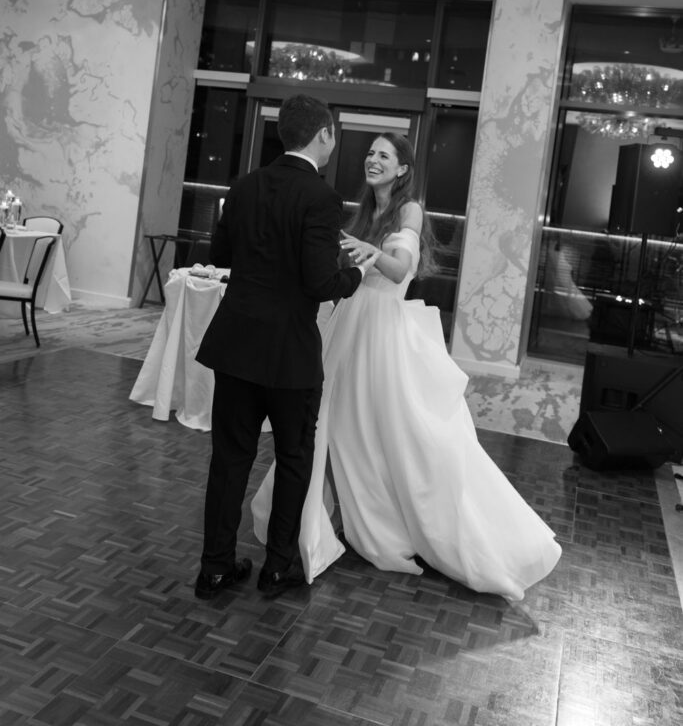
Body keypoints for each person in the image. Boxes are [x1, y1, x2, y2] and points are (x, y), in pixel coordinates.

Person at [252, 132, 562, 602]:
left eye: (384, 155)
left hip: (382, 332)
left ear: (402, 169)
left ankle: (404, 520)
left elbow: (400, 270)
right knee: (335, 425)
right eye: (370, 153)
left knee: (395, 432)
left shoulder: (409, 209)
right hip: (350, 323)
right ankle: (336, 514)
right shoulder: (362, 211)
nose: (372, 160)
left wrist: (368, 251)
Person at [194, 94, 376, 601]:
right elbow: (322, 283)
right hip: (289, 354)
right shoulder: (322, 197)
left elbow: (222, 253)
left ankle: (214, 569)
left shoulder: (244, 185)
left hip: (235, 344)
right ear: (324, 135)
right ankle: (277, 567)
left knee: (229, 459)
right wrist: (358, 274)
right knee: (295, 457)